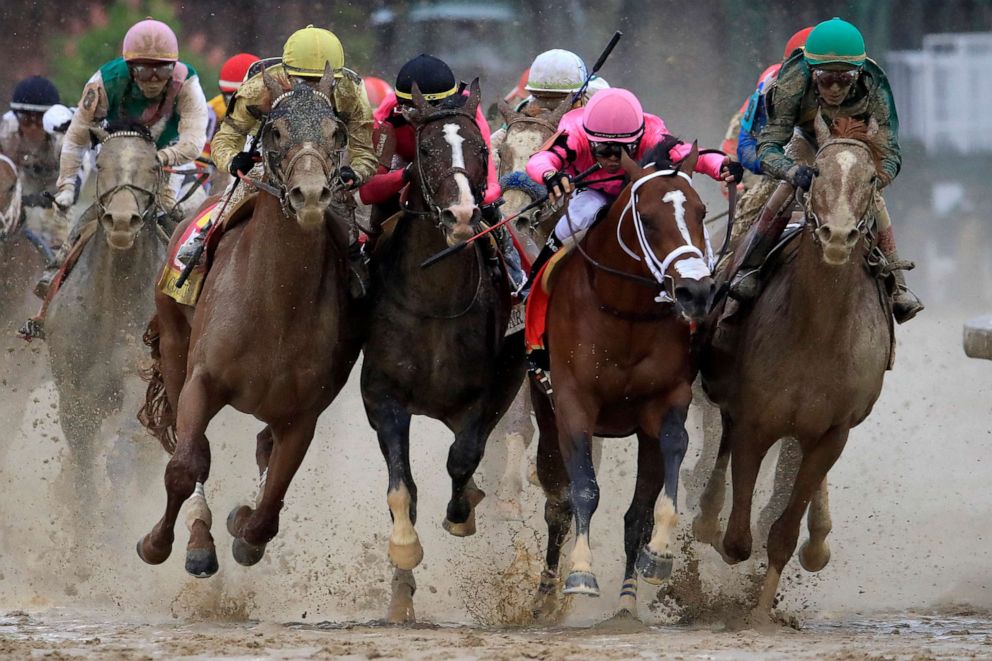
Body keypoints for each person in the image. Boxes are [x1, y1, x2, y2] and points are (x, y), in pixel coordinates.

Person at [524, 88, 742, 370]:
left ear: (640, 137)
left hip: (643, 195)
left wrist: (721, 165)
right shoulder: (574, 132)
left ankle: (702, 289)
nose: (616, 159)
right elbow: (539, 160)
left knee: (683, 218)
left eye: (626, 150)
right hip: (596, 194)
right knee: (575, 219)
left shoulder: (654, 132)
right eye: (605, 151)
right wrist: (551, 174)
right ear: (589, 139)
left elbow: (692, 155)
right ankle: (534, 283)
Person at [731, 17, 923, 323]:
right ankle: (749, 268)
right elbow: (768, 146)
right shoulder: (791, 82)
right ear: (809, 71)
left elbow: (891, 152)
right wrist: (791, 172)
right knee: (781, 190)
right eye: (824, 78)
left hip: (854, 143)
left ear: (859, 73)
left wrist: (876, 179)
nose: (834, 88)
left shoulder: (876, 85)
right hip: (805, 139)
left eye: (844, 79)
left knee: (874, 198)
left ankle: (898, 284)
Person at [35, 18, 209, 298]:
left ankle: (197, 287)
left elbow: (194, 141)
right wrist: (66, 186)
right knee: (96, 211)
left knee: (181, 213)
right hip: (118, 156)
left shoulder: (187, 82)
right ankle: (55, 274)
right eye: (143, 69)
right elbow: (77, 135)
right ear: (129, 67)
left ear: (173, 66)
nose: (153, 80)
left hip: (167, 158)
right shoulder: (104, 81)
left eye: (162, 70)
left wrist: (160, 158)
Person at [209, 25, 377, 298]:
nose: (310, 90)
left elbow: (364, 151)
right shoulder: (259, 88)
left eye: (321, 81)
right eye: (301, 81)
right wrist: (232, 161)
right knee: (220, 216)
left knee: (353, 224)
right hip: (268, 164)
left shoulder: (350, 92)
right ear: (285, 73)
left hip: (327, 166)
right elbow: (226, 137)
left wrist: (355, 173)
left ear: (335, 78)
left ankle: (356, 273)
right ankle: (194, 263)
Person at [357, 54, 524, 288]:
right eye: (418, 111)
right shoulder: (386, 119)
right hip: (408, 164)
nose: (430, 117)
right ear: (403, 107)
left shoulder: (468, 111)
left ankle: (516, 276)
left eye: (437, 108)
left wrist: (467, 200)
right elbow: (368, 191)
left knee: (492, 211)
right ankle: (364, 264)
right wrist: (408, 175)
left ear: (453, 101)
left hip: (454, 171)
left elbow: (491, 185)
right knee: (381, 209)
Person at [0, 76, 67, 247]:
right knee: (26, 225)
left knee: (58, 233)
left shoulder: (64, 135)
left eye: (39, 120)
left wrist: (54, 200)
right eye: (25, 119)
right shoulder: (6, 130)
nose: (32, 127)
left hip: (60, 181)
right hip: (26, 180)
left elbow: (74, 177)